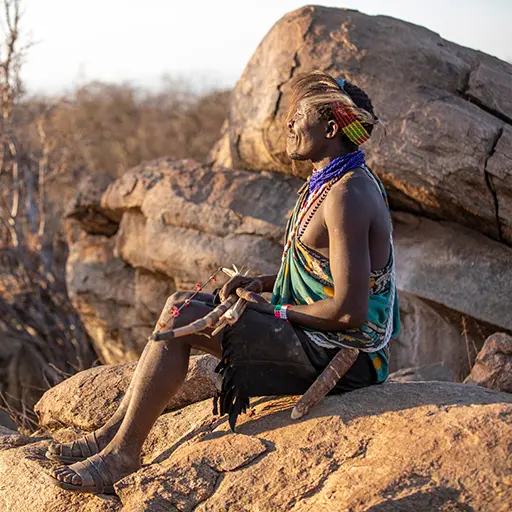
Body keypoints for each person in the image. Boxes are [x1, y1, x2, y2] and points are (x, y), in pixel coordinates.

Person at [47, 70, 400, 494]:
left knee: (181, 325)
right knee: (181, 302)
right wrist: (263, 282)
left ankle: (123, 454)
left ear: (329, 128)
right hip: (318, 337)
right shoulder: (329, 182)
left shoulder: (348, 194)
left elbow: (348, 311)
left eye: (297, 115)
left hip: (343, 355)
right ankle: (113, 434)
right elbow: (325, 271)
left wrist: (272, 310)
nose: (287, 124)